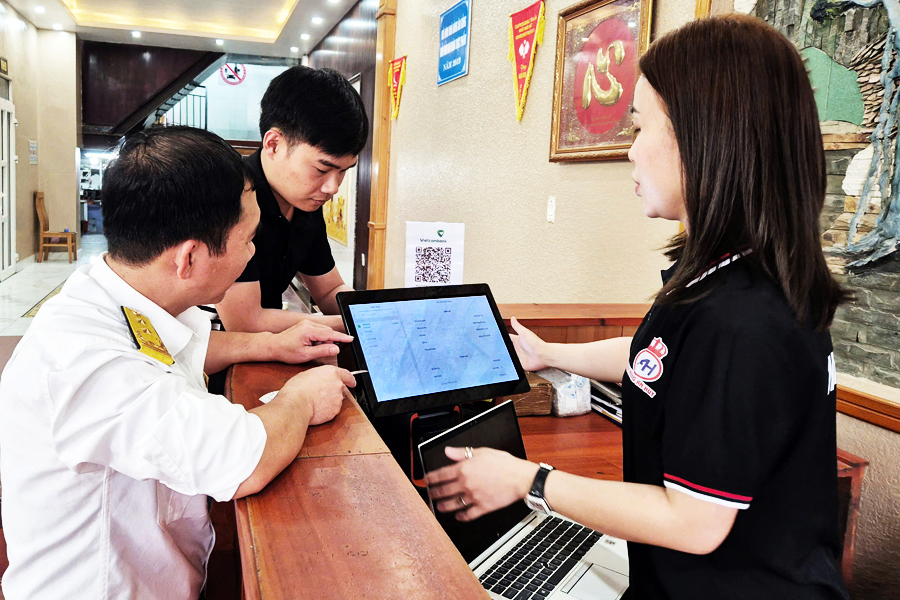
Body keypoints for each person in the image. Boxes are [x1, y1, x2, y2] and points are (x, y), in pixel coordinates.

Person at [425, 15, 851, 600]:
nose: (630, 150)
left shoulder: (742, 319)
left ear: (703, 138)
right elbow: (657, 358)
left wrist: (529, 480)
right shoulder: (733, 279)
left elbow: (693, 523)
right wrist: (549, 353)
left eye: (640, 126)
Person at [0, 126, 357, 599]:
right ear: (188, 258)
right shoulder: (87, 363)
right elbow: (246, 460)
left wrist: (273, 345)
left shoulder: (123, 293)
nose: (253, 252)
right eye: (248, 241)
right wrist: (302, 400)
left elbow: (183, 349)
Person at [216, 66, 369, 334]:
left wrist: (374, 311)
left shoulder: (304, 203)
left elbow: (329, 289)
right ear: (274, 144)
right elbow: (245, 323)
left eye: (344, 171)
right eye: (321, 169)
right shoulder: (229, 197)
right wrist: (357, 323)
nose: (333, 187)